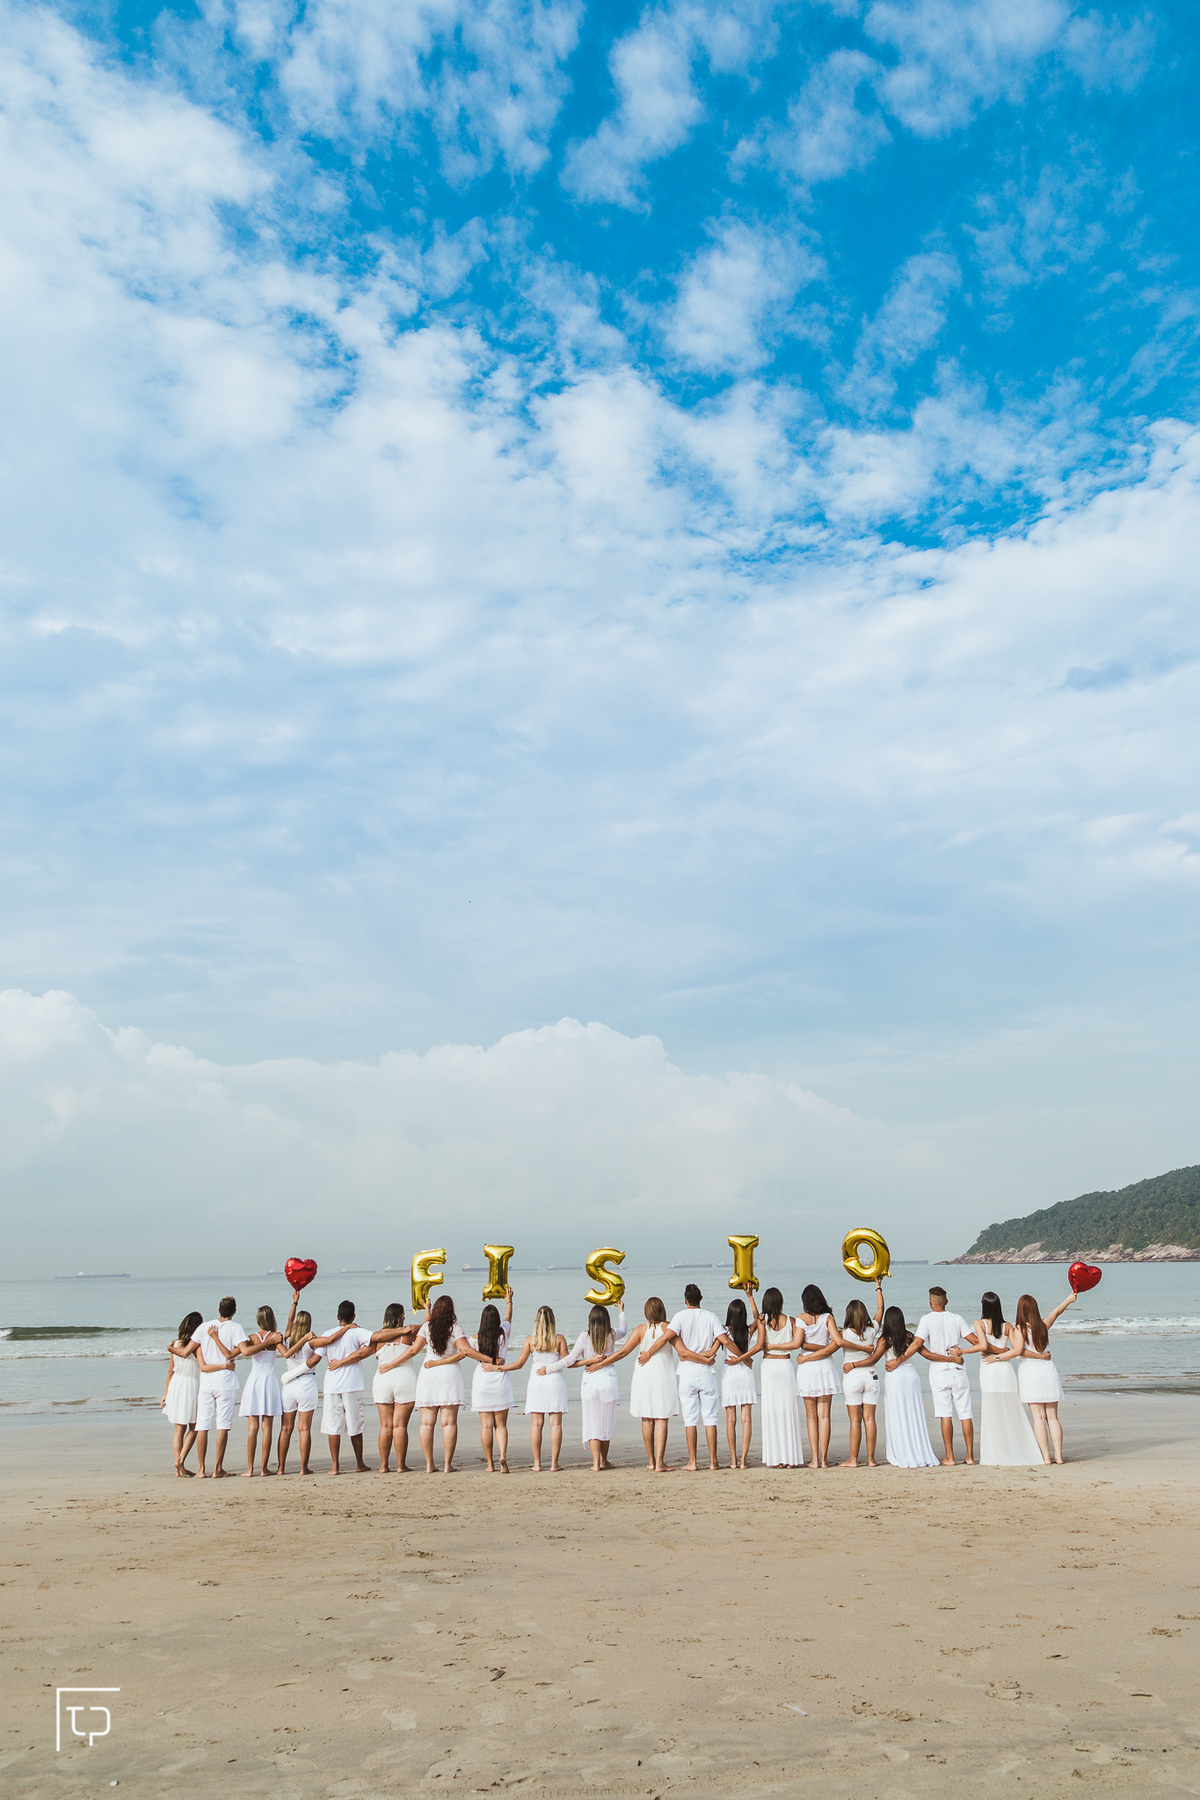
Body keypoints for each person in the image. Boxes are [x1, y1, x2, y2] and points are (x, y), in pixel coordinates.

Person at [310, 1301, 408, 1475]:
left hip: (331, 1385)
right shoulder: (357, 1331)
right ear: (354, 1316)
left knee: (333, 1426)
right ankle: (359, 1463)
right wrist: (402, 1331)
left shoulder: (328, 1333)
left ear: (337, 1316)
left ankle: (335, 1466)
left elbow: (316, 1357)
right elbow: (377, 1337)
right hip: (351, 1384)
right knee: (355, 1424)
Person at [594, 1296, 678, 1472]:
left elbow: (623, 1352)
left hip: (643, 1376)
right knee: (661, 1418)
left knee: (646, 1418)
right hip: (662, 1375)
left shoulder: (640, 1329)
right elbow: (682, 1349)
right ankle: (660, 1462)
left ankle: (650, 1461)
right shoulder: (669, 1327)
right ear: (662, 1310)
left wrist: (601, 1363)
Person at [971, 1291, 1043, 1466]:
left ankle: (997, 1453)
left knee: (993, 1413)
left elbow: (983, 1346)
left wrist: (992, 1356)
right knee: (1011, 1412)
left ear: (983, 1306)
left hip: (988, 1368)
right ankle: (1016, 1450)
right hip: (1006, 1371)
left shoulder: (979, 1323)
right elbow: (1017, 1350)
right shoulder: (1008, 1326)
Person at [661, 1284, 726, 1472]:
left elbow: (667, 1337)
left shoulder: (680, 1316)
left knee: (690, 1419)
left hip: (687, 1372)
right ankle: (714, 1461)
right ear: (701, 1297)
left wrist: (649, 1351)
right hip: (707, 1373)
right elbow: (724, 1339)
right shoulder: (711, 1316)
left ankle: (693, 1461)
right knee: (710, 1418)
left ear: (685, 1300)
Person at [557, 1302, 628, 1472]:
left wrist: (589, 1360)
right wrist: (621, 1311)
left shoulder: (584, 1337)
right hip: (608, 1380)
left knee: (592, 1421)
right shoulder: (611, 1334)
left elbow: (571, 1362)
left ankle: (596, 1462)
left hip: (590, 1381)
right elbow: (624, 1330)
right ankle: (604, 1460)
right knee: (606, 1421)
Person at [915, 1286, 979, 1466]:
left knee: (945, 1414)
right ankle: (969, 1456)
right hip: (958, 1369)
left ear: (930, 1303)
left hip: (938, 1370)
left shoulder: (926, 1319)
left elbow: (918, 1343)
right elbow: (976, 1342)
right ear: (947, 1302)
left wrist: (901, 1357)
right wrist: (962, 1353)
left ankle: (950, 1456)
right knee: (965, 1412)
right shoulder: (957, 1318)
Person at [411, 1294, 474, 1474]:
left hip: (428, 1374)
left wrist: (392, 1362)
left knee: (426, 1423)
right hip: (449, 1375)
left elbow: (415, 1350)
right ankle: (447, 1464)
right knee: (448, 1423)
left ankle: (429, 1464)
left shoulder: (426, 1328)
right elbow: (464, 1351)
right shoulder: (455, 1328)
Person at [505, 1305, 570, 1472]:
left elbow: (519, 1364)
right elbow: (568, 1362)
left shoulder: (530, 1340)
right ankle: (554, 1464)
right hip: (555, 1382)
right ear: (553, 1321)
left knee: (536, 1424)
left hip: (537, 1383)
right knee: (555, 1424)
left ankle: (537, 1464)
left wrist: (499, 1368)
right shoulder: (559, 1339)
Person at [194, 1297, 252, 1478]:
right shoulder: (236, 1328)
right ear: (235, 1311)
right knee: (223, 1425)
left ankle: (201, 1469)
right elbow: (244, 1349)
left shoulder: (204, 1327)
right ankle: (217, 1468)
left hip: (206, 1381)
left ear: (218, 1310)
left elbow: (191, 1347)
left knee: (202, 1424)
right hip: (225, 1381)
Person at [746, 1286, 805, 1468]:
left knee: (771, 1411)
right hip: (785, 1365)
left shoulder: (763, 1321)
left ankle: (776, 1458)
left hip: (770, 1367)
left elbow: (759, 1335)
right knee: (788, 1411)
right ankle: (790, 1458)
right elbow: (796, 1344)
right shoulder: (792, 1321)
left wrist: (750, 1298)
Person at [1016, 1290, 1076, 1464]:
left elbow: (1020, 1351)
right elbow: (1056, 1312)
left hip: (1030, 1373)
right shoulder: (1042, 1325)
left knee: (1039, 1418)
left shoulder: (1018, 1329)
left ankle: (1045, 1456)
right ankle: (1058, 1455)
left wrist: (1039, 1356)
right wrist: (1068, 1300)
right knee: (1052, 1417)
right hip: (1048, 1371)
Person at [877, 1305, 941, 1469]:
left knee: (897, 1413)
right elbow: (927, 1354)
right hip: (911, 1375)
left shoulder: (884, 1339)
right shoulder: (910, 1337)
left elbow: (874, 1358)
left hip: (895, 1376)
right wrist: (950, 1359)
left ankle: (901, 1450)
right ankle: (919, 1449)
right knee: (913, 1412)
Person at [830, 1280, 884, 1467]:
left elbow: (829, 1345)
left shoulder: (843, 1334)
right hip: (870, 1376)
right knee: (869, 1419)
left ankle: (853, 1459)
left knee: (855, 1421)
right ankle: (870, 1459)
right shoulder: (871, 1330)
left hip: (852, 1377)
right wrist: (878, 1287)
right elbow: (880, 1310)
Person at [469, 1290, 517, 1474]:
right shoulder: (504, 1332)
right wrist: (509, 1301)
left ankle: (489, 1464)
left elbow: (463, 1349)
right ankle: (502, 1455)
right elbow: (509, 1317)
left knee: (486, 1426)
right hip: (500, 1380)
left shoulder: (476, 1338)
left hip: (482, 1380)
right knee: (501, 1425)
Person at [794, 1284, 842, 1469]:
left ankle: (814, 1459)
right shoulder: (828, 1318)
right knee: (824, 1416)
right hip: (825, 1367)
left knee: (811, 1417)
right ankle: (824, 1459)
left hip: (807, 1368)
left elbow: (801, 1344)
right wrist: (825, 1349)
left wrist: (807, 1356)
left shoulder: (800, 1318)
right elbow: (836, 1343)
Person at [371, 1303, 422, 1474]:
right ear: (400, 1316)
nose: (405, 1318)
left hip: (382, 1379)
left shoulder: (377, 1337)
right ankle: (401, 1465)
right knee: (400, 1426)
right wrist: (426, 1310)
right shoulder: (408, 1335)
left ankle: (383, 1465)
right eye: (403, 1315)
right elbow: (428, 1326)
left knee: (385, 1426)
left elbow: (363, 1350)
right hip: (405, 1378)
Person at [237, 1305, 284, 1477]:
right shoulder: (275, 1337)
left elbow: (240, 1352)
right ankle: (263, 1468)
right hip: (268, 1382)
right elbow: (288, 1332)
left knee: (252, 1429)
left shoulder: (251, 1338)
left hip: (254, 1382)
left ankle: (250, 1469)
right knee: (267, 1428)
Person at [277, 1301, 323, 1475]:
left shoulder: (287, 1339)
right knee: (304, 1429)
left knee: (285, 1428)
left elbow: (289, 1321)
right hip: (306, 1384)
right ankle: (303, 1468)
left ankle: (281, 1468)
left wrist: (293, 1303)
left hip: (289, 1386)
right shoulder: (310, 1343)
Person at [162, 1311, 202, 1477]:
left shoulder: (175, 1344)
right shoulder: (197, 1345)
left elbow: (170, 1371)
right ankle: (180, 1461)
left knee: (179, 1428)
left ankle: (179, 1469)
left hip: (176, 1385)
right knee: (195, 1426)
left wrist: (166, 1394)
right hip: (190, 1384)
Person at [720, 1295, 756, 1470]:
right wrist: (751, 1298)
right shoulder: (748, 1330)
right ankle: (744, 1460)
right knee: (746, 1419)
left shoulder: (724, 1332)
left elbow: (713, 1349)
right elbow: (758, 1319)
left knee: (730, 1420)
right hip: (745, 1374)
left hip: (729, 1375)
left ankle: (733, 1459)